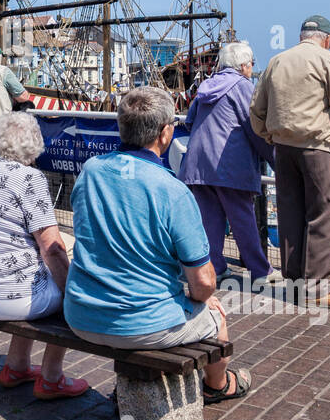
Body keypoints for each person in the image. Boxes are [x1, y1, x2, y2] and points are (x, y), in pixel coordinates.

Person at [64, 87, 250, 403]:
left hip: (81, 314)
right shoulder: (172, 190)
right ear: (165, 134)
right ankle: (218, 385)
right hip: (142, 325)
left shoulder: (91, 171)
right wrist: (201, 299)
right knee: (216, 315)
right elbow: (204, 282)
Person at [0, 113, 87, 398]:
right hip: (7, 300)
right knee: (64, 269)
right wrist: (74, 294)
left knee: (28, 268)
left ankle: (18, 365)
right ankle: (52, 377)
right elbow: (52, 247)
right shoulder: (30, 178)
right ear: (33, 144)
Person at [249, 15, 330, 309]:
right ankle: (317, 291)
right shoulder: (328, 60)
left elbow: (256, 110)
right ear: (326, 38)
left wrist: (270, 136)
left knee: (290, 216)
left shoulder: (276, 61)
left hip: (283, 150)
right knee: (322, 217)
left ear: (301, 36)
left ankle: (295, 286)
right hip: (319, 148)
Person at [179, 41, 278, 288]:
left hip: (198, 163)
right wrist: (276, 159)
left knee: (209, 220)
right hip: (228, 163)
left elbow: (190, 121)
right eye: (252, 64)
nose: (252, 69)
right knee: (242, 218)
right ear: (244, 65)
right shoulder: (243, 86)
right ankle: (260, 271)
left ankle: (215, 267)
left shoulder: (205, 86)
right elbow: (255, 127)